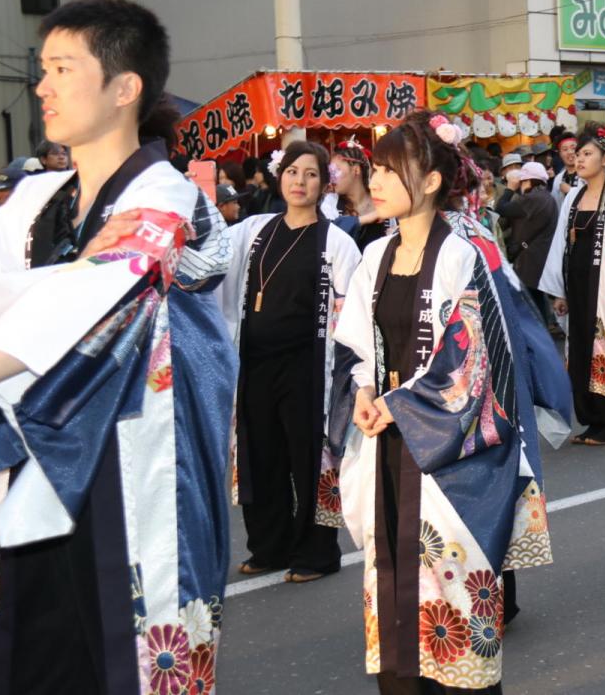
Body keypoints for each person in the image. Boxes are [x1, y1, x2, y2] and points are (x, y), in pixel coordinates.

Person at [0, 0, 234, 694]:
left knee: (133, 662)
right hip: (43, 469)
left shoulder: (168, 198)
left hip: (138, 477)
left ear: (125, 86)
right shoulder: (33, 203)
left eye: (61, 67)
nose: (42, 85)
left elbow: (88, 298)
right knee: (32, 657)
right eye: (41, 68)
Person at [335, 110, 558, 693]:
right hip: (390, 442)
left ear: (431, 181)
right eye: (375, 170)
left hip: (447, 455)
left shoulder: (462, 255)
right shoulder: (374, 257)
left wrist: (398, 403)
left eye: (389, 170)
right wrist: (364, 390)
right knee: (394, 585)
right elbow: (357, 340)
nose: (375, 181)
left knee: (450, 593)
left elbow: (473, 364)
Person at [218, 140, 362, 584]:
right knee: (261, 453)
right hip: (255, 362)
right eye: (293, 172)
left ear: (325, 183)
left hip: (309, 369)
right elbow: (212, 262)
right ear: (280, 176)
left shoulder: (335, 240)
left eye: (311, 174)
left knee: (310, 459)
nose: (300, 181)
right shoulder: (253, 229)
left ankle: (318, 551)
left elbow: (354, 310)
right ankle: (270, 544)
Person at [540, 125, 605, 445]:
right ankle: (590, 419)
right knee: (583, 350)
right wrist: (559, 290)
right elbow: (561, 243)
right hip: (578, 283)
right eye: (578, 154)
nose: (579, 159)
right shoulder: (574, 195)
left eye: (587, 153)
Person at [497, 160, 559, 319]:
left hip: (530, 262)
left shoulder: (532, 199)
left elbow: (501, 208)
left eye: (522, 180)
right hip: (540, 259)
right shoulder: (546, 197)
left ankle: (540, 341)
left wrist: (510, 189)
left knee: (532, 309)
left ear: (529, 181)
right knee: (538, 304)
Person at [326, 139, 388, 253]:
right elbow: (328, 235)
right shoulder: (330, 203)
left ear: (356, 170)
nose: (332, 177)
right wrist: (368, 218)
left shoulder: (383, 199)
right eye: (330, 172)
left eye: (336, 170)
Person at [550, 131, 579, 208]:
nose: (570, 152)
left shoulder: (588, 174)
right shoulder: (558, 179)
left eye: (573, 148)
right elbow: (555, 204)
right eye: (565, 149)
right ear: (560, 154)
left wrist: (570, 191)